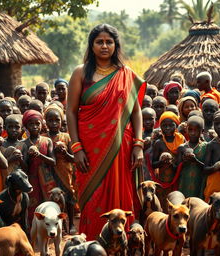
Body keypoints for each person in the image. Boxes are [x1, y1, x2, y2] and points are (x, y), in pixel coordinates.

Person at [66, 24, 145, 240]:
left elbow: (136, 112)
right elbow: (70, 112)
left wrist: (139, 145)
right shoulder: (80, 73)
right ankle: (91, 245)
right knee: (92, 199)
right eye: (99, 41)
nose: (104, 46)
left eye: (109, 42)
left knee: (121, 199)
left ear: (115, 46)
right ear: (91, 46)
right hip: (89, 149)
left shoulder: (126, 74)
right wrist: (77, 147)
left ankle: (121, 247)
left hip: (121, 148)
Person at [44, 105, 76, 234]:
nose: (54, 123)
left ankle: (72, 224)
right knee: (53, 199)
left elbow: (74, 158)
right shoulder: (43, 137)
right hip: (48, 172)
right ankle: (58, 226)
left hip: (65, 171)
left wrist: (64, 153)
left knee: (69, 197)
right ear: (45, 122)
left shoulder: (66, 137)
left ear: (61, 121)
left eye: (56, 120)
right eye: (50, 120)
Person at [21, 110, 56, 221]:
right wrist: (28, 157)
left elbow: (53, 161)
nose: (35, 126)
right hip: (32, 179)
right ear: (26, 126)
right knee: (33, 207)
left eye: (37, 123)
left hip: (47, 179)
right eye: (31, 124)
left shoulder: (47, 141)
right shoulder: (23, 144)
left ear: (41, 124)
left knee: (48, 205)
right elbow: (25, 168)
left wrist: (39, 155)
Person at [150, 111, 185, 211]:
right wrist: (162, 163)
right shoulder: (159, 143)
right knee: (163, 204)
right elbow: (153, 164)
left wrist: (174, 164)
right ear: (160, 126)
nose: (168, 128)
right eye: (164, 126)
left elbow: (181, 161)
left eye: (171, 125)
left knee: (176, 202)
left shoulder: (181, 140)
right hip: (163, 180)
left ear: (176, 125)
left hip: (177, 178)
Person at [203, 109, 220, 202]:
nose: (219, 127)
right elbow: (205, 169)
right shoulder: (211, 145)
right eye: (216, 124)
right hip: (215, 187)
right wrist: (216, 167)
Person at [177, 116, 207, 198]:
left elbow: (207, 168)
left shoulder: (206, 147)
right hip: (184, 182)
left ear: (202, 131)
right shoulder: (182, 147)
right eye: (190, 130)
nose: (193, 133)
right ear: (186, 129)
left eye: (196, 130)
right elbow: (177, 168)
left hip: (199, 182)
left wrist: (195, 160)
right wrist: (184, 161)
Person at [0, 114, 26, 187]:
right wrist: (11, 159)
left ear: (22, 128)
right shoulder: (0, 144)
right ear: (5, 128)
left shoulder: (24, 144)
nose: (13, 130)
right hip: (4, 179)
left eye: (17, 127)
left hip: (20, 181)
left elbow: (26, 168)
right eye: (10, 127)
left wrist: (20, 160)